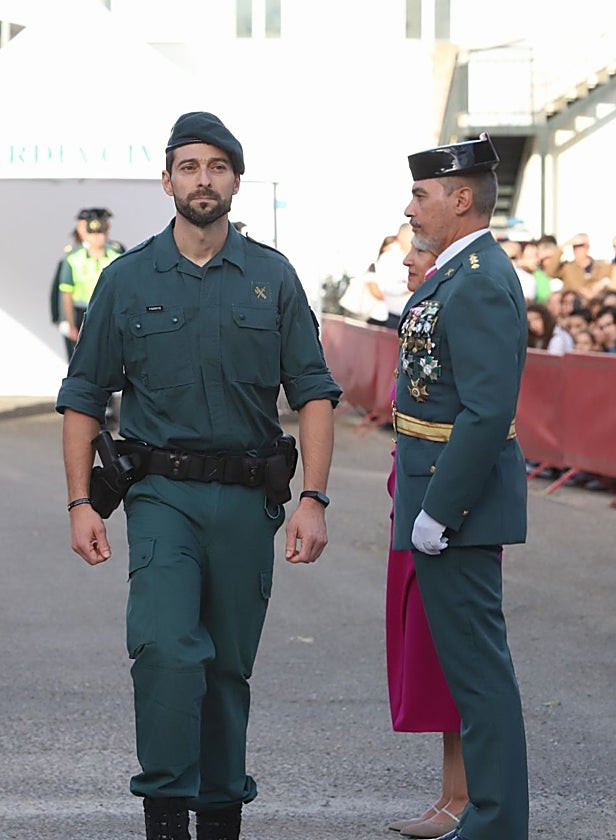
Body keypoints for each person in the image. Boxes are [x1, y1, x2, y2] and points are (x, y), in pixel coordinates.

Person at [57, 111, 341, 840]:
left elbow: (312, 392)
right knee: (164, 650)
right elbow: (83, 397)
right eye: (189, 167)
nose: (202, 179)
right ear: (167, 181)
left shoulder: (272, 278)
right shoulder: (125, 281)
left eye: (216, 167)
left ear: (235, 181)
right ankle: (164, 814)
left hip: (249, 500)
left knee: (226, 668)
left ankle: (219, 817)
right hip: (160, 496)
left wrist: (314, 499)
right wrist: (79, 503)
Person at [396, 133, 529, 840]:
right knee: (469, 675)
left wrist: (439, 510)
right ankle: (489, 818)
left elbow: (486, 410)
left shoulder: (476, 277)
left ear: (462, 197)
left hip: (459, 508)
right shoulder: (458, 271)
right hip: (438, 497)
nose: (411, 206)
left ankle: (496, 824)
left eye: (422, 194)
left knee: (479, 679)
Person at [385, 244, 467, 840]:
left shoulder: (463, 296)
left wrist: (439, 509)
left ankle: (465, 797)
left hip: (441, 507)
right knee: (429, 658)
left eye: (418, 253)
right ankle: (450, 794)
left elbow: (481, 414)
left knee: (453, 661)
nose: (409, 262)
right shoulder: (422, 309)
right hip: (412, 498)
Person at [57, 208, 122, 358]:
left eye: (100, 233)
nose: (97, 238)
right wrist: (70, 322)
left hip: (108, 312)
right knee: (80, 358)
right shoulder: (74, 257)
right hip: (82, 313)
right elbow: (66, 292)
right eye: (93, 234)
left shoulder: (115, 254)